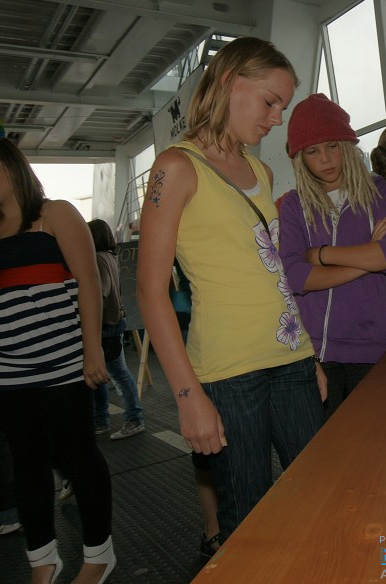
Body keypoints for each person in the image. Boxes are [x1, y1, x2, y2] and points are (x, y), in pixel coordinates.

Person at [136, 36, 325, 543]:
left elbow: (276, 275)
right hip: (227, 373)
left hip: (292, 362)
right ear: (227, 82)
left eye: (281, 106)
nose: (277, 118)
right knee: (248, 523)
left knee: (321, 497)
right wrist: (187, 395)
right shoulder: (175, 168)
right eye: (270, 101)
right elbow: (151, 290)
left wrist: (310, 356)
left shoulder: (261, 171)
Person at [0, 137, 115, 583]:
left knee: (78, 456)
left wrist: (92, 349)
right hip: (4, 366)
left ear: (11, 166)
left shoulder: (55, 212)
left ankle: (99, 554)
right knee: (26, 464)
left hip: (62, 358)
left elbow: (87, 280)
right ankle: (42, 560)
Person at [280, 93, 386, 417]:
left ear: (348, 146)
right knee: (325, 456)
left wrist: (322, 255)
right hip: (316, 352)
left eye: (333, 146)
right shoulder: (295, 204)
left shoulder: (376, 190)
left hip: (374, 348)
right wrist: (367, 260)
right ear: (300, 158)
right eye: (312, 151)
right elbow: (295, 277)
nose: (325, 159)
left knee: (378, 449)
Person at [88, 219, 145, 440]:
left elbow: (99, 292)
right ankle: (104, 419)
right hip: (115, 321)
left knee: (115, 374)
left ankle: (132, 419)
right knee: (108, 373)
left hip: (104, 325)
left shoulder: (96, 259)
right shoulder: (112, 257)